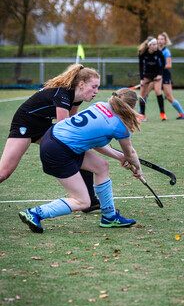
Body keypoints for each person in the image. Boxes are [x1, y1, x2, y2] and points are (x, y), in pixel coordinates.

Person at [18, 88, 143, 233]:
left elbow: (96, 142)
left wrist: (120, 157)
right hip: (59, 150)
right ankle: (35, 213)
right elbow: (131, 153)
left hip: (53, 137)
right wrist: (138, 170)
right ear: (131, 107)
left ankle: (109, 216)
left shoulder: (100, 105)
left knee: (101, 166)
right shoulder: (119, 126)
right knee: (83, 201)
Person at [0, 64, 101, 212]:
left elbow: (73, 123)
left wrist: (85, 142)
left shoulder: (77, 97)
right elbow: (64, 130)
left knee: (81, 152)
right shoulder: (63, 95)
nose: (96, 91)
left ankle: (90, 201)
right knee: (4, 172)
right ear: (81, 84)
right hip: (25, 124)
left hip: (43, 125)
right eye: (94, 87)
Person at [157, 32, 184, 119]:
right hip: (157, 75)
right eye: (158, 39)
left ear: (165, 41)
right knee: (145, 92)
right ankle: (141, 113)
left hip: (165, 74)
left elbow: (169, 65)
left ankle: (182, 113)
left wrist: (159, 67)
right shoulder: (155, 51)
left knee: (169, 96)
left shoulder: (166, 51)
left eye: (162, 39)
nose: (160, 41)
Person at [138, 36, 167, 121]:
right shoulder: (143, 53)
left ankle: (162, 114)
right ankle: (142, 115)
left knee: (158, 92)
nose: (156, 46)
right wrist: (142, 79)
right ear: (149, 45)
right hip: (147, 75)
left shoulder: (159, 53)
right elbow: (140, 66)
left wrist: (160, 75)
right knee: (143, 94)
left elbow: (163, 64)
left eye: (156, 44)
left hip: (157, 76)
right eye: (154, 44)